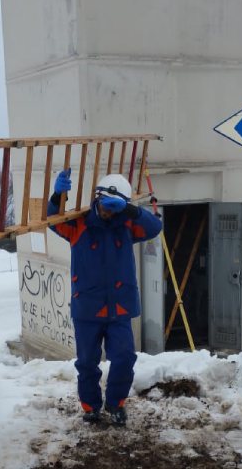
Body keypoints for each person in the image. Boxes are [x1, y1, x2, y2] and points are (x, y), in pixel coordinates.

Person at [47, 168, 162, 425]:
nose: (109, 213)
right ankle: (91, 407)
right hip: (87, 308)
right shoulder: (79, 225)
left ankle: (115, 404)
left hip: (120, 308)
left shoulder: (127, 226)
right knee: (87, 363)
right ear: (97, 199)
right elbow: (52, 219)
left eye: (115, 208)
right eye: (106, 206)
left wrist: (130, 210)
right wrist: (57, 195)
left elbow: (155, 227)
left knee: (124, 359)